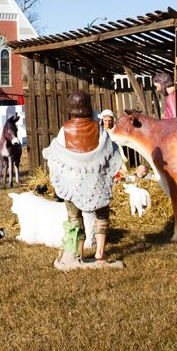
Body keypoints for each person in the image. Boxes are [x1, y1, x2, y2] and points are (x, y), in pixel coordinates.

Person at [43, 90, 124, 270]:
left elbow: (56, 154)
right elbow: (110, 151)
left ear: (69, 108)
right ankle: (100, 254)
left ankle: (75, 254)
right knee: (102, 214)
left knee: (74, 216)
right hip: (97, 182)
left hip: (71, 183)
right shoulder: (99, 129)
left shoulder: (65, 130)